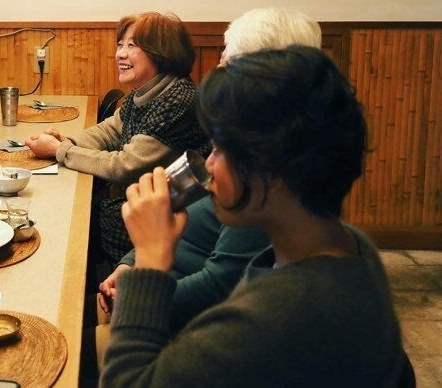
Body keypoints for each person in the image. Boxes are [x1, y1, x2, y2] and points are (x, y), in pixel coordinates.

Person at [100, 45, 413, 387]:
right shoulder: (348, 243)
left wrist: (149, 262)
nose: (209, 165)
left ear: (274, 170)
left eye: (221, 149)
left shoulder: (282, 315)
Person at [87, 7, 322, 375]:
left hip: (183, 320)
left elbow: (221, 284)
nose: (219, 66)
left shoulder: (267, 177)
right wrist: (132, 263)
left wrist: (142, 287)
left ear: (268, 77)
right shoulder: (247, 144)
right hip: (162, 280)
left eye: (229, 58)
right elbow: (186, 210)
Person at [26, 11, 210, 267]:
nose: (120, 54)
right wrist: (68, 142)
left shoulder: (178, 100)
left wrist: (60, 151)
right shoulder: (146, 90)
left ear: (161, 53)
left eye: (132, 46)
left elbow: (126, 165)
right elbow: (111, 130)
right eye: (120, 44)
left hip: (147, 232)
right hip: (126, 214)